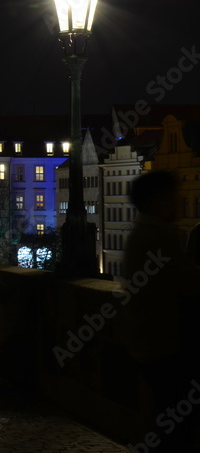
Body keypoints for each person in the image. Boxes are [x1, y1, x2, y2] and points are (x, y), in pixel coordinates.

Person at [124, 171, 200, 451]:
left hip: (148, 346)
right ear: (159, 201)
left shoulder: (141, 234)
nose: (180, 203)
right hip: (167, 348)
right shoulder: (159, 238)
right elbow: (190, 284)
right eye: (173, 197)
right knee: (175, 428)